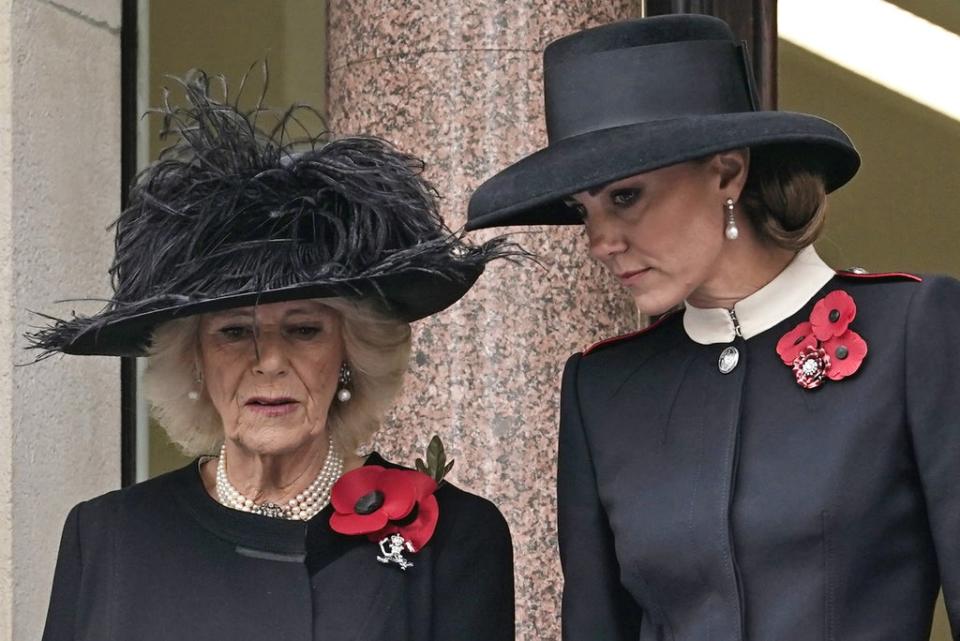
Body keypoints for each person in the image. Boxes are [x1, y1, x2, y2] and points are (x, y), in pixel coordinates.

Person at [466, 14, 959, 641]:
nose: (599, 242)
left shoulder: (914, 330)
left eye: (624, 197)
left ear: (727, 172)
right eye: (581, 210)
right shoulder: (603, 386)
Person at [33, 70, 515, 641]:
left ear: (350, 354)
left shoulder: (453, 538)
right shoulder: (108, 537)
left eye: (304, 329)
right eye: (234, 333)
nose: (268, 362)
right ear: (195, 362)